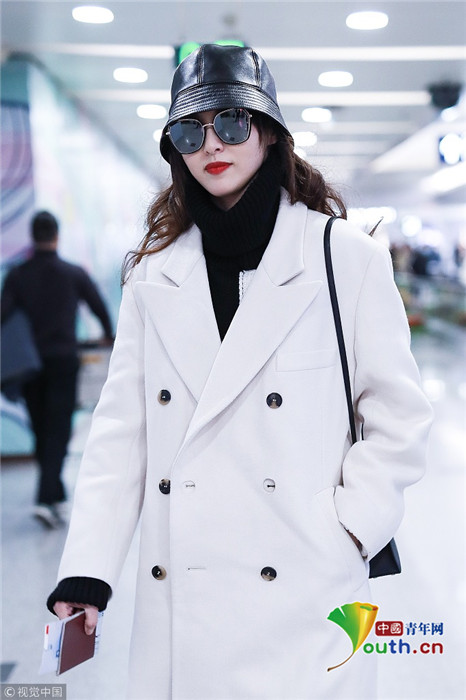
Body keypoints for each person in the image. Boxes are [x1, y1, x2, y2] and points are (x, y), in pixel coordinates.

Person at [47, 45, 432, 699]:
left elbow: (398, 416)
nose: (211, 145)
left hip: (307, 590)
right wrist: (87, 570)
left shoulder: (345, 257)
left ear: (270, 133)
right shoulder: (153, 275)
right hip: (184, 601)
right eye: (189, 131)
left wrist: (349, 527)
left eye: (231, 121)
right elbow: (121, 435)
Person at [1, 211, 113, 528]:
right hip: (64, 360)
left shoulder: (18, 276)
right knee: (59, 428)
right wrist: (108, 334)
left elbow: (2, 313)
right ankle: (47, 498)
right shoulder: (72, 273)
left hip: (31, 365)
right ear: (56, 235)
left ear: (33, 236)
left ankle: (53, 495)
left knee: (40, 427)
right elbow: (98, 306)